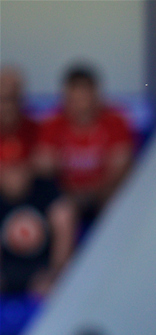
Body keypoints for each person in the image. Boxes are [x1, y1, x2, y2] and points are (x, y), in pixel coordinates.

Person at [34, 65, 134, 228]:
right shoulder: (52, 123)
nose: (80, 105)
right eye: (75, 99)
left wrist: (94, 192)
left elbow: (120, 167)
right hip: (66, 195)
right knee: (56, 204)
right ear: (66, 98)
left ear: (95, 96)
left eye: (84, 98)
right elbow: (44, 167)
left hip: (104, 194)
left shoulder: (115, 121)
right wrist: (69, 193)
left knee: (117, 197)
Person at [1, 135, 75, 300]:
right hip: (7, 269)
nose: (14, 174)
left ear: (29, 167)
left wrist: (55, 273)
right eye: (8, 168)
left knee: (58, 289)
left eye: (19, 166)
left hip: (43, 266)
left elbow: (64, 225)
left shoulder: (45, 188)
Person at [0, 67, 40, 168]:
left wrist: (29, 170)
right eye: (3, 99)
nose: (8, 106)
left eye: (13, 99)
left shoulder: (35, 131)